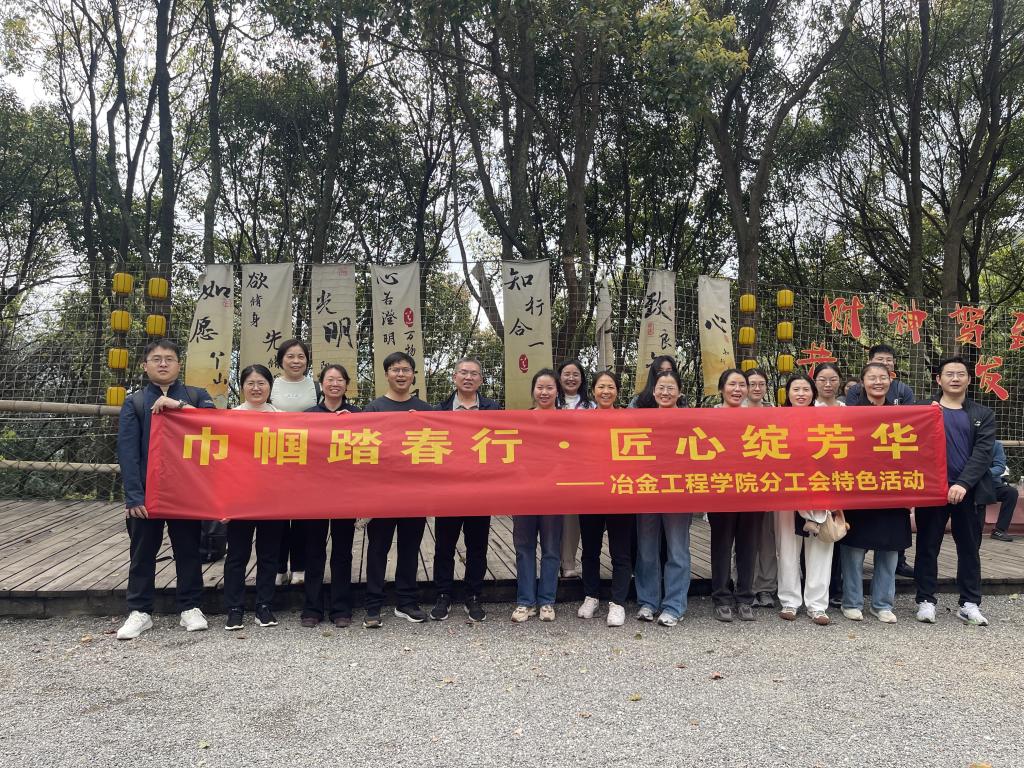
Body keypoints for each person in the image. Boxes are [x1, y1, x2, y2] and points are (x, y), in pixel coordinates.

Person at [115, 339, 215, 640]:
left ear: (178, 365)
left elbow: (214, 425)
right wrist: (134, 495)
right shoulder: (135, 402)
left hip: (186, 491)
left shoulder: (197, 396)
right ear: (145, 366)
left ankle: (190, 607)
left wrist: (178, 406)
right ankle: (139, 611)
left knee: (189, 550)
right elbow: (128, 453)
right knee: (142, 552)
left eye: (169, 358)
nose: (163, 363)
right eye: (156, 359)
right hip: (148, 493)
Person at [914, 356, 996, 626]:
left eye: (961, 374)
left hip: (968, 492)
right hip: (932, 490)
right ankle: (925, 600)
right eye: (949, 374)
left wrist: (963, 483)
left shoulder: (982, 414)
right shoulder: (923, 409)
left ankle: (969, 603)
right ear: (938, 379)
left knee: (970, 548)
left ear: (969, 379)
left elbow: (983, 453)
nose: (955, 378)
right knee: (927, 546)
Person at [361, 352, 433, 628]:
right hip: (381, 492)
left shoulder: (426, 411)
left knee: (410, 547)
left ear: (413, 375)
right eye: (395, 370)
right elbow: (363, 449)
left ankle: (406, 602)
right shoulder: (374, 409)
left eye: (405, 370)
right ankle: (373, 604)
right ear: (386, 375)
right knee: (377, 548)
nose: (400, 374)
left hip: (415, 492)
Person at [430, 357, 502, 623]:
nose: (468, 377)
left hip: (481, 489)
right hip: (448, 489)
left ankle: (473, 595)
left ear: (481, 379)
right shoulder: (439, 411)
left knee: (477, 546)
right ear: (454, 377)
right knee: (444, 546)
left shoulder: (494, 410)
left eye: (474, 373)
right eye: (463, 372)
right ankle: (443, 595)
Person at [839, 362, 911, 623]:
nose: (878, 382)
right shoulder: (849, 415)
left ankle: (882, 604)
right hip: (858, 491)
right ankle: (852, 602)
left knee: (889, 552)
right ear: (862, 382)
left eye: (883, 377)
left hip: (892, 491)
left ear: (891, 381)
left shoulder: (902, 415)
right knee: (853, 551)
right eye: (872, 377)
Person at [223, 364, 287, 631]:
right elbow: (221, 463)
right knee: (237, 555)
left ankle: (264, 605)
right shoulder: (230, 418)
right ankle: (234, 608)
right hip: (239, 497)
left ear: (270, 387)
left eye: (262, 383)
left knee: (269, 554)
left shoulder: (283, 418)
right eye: (250, 383)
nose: (256, 388)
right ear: (242, 387)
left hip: (272, 498)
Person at [844, 344, 916, 578]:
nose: (878, 380)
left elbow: (913, 426)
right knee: (856, 540)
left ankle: (893, 577)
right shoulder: (853, 398)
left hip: (891, 473)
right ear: (863, 380)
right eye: (879, 360)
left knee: (891, 536)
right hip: (860, 474)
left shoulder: (903, 392)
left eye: (888, 361)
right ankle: (851, 593)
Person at [301, 364, 361, 628]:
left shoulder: (358, 416)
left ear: (347, 385)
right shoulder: (308, 416)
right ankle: (312, 608)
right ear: (321, 384)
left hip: (345, 493)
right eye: (329, 379)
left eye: (340, 380)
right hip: (315, 494)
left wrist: (353, 425)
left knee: (343, 552)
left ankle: (341, 608)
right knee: (313, 551)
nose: (334, 384)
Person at [634, 369, 693, 627]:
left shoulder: (690, 421)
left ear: (679, 392)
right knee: (647, 549)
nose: (665, 392)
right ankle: (648, 601)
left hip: (678, 493)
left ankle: (674, 605)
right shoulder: (642, 420)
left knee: (677, 549)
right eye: (661, 387)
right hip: (647, 490)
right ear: (653, 390)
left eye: (670, 388)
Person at [775, 374, 834, 625]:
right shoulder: (776, 419)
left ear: (813, 393)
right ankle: (789, 601)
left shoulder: (827, 419)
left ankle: (817, 605)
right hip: (786, 491)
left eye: (805, 389)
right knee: (787, 547)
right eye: (795, 389)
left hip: (819, 489)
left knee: (820, 546)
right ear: (787, 393)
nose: (801, 394)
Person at [578, 371, 635, 627]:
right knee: (590, 550)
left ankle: (618, 602)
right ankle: (591, 596)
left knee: (620, 551)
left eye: (611, 387)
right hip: (590, 493)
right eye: (601, 387)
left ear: (617, 391)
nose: (605, 391)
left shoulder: (628, 419)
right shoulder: (582, 421)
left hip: (620, 492)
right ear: (593, 391)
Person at [511, 369, 564, 622]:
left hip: (554, 494)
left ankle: (547, 601)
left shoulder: (567, 421)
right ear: (533, 390)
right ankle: (525, 602)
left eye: (549, 388)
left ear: (557, 391)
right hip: (524, 493)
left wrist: (551, 476)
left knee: (551, 549)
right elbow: (512, 455)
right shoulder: (521, 420)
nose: (544, 392)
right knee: (524, 548)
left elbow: (571, 455)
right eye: (540, 387)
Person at [709, 368, 760, 622]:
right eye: (732, 384)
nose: (737, 389)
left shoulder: (759, 419)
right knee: (721, 544)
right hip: (721, 491)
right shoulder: (709, 418)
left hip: (752, 490)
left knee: (748, 546)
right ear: (721, 388)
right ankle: (721, 597)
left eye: (742, 385)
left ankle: (745, 598)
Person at [270, 338, 318, 587]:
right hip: (275, 458)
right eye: (290, 356)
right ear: (281, 360)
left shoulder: (316, 387)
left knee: (302, 517)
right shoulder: (270, 385)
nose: (296, 361)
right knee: (277, 516)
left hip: (307, 460)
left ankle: (299, 566)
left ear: (307, 361)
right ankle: (279, 567)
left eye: (301, 356)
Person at [557, 359, 594, 579]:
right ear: (559, 377)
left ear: (582, 379)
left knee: (577, 519)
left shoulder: (592, 406)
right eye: (566, 374)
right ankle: (562, 563)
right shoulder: (551, 401)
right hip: (557, 468)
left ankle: (572, 562)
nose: (571, 378)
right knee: (560, 519)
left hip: (584, 469)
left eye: (575, 374)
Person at [743, 367, 776, 609]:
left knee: (767, 538)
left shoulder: (774, 411)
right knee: (744, 539)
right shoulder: (734, 411)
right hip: (742, 484)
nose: (757, 388)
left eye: (761, 384)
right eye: (752, 384)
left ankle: (766, 588)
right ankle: (745, 584)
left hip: (769, 483)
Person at [814, 362, 846, 607]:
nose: (828, 384)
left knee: (836, 531)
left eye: (833, 379)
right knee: (813, 533)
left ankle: (834, 588)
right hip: (813, 477)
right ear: (815, 382)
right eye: (822, 379)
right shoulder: (808, 408)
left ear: (840, 382)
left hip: (839, 478)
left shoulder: (847, 410)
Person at [989, 440, 1017, 542]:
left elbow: (1000, 467)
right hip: (971, 482)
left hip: (991, 482)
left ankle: (999, 530)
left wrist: (983, 473)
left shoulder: (996, 445)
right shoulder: (969, 442)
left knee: (1011, 493)